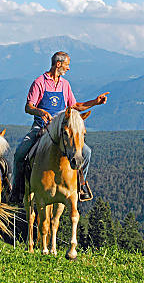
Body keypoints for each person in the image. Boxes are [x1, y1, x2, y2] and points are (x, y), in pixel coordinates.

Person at [10, 51, 109, 203]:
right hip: (41, 127)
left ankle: (80, 186)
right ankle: (17, 191)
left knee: (86, 152)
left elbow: (75, 106)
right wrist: (40, 111)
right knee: (20, 154)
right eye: (67, 65)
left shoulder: (65, 84)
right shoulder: (39, 82)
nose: (68, 68)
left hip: (62, 129)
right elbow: (28, 107)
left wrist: (95, 102)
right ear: (58, 64)